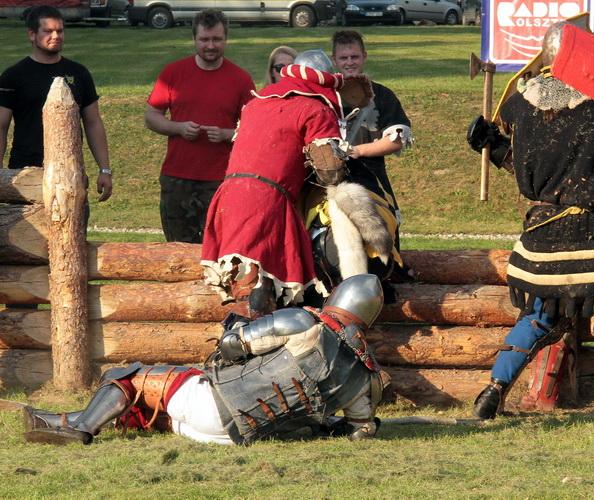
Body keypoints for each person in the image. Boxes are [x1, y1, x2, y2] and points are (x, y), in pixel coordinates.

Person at [467, 21, 594, 429]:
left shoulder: (519, 104)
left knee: (538, 316)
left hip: (542, 235)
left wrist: (492, 144)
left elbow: (520, 164)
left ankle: (492, 391)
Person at [22, 274, 387, 445]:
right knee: (169, 398)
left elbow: (233, 345)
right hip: (241, 437)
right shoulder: (367, 377)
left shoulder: (305, 323)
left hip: (213, 406)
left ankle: (82, 428)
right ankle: (57, 420)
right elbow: (360, 430)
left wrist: (236, 333)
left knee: (132, 377)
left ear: (337, 296)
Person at [200, 49, 352, 321]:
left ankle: (245, 333)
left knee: (248, 279)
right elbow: (330, 172)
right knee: (260, 285)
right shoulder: (315, 109)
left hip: (228, 195)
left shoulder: (256, 103)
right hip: (266, 199)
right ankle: (246, 339)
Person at [145, 9, 254, 243]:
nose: (211, 46)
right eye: (204, 39)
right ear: (194, 39)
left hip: (222, 180)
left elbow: (254, 129)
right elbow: (151, 116)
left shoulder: (241, 79)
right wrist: (178, 128)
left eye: (217, 39)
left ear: (226, 39)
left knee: (220, 247)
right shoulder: (173, 73)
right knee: (178, 250)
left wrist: (227, 134)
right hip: (178, 178)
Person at [0, 5, 112, 202]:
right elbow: (1, 126)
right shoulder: (14, 76)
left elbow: (93, 122)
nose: (56, 36)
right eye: (48, 31)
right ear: (32, 34)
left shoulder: (79, 73)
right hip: (25, 172)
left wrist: (105, 169)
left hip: (70, 173)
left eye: (60, 31)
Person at [330, 30, 413, 245]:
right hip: (328, 182)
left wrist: (357, 151)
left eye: (354, 57)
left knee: (385, 239)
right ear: (334, 60)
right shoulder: (325, 96)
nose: (349, 62)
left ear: (364, 57)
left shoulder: (382, 95)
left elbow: (397, 140)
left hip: (372, 179)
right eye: (343, 57)